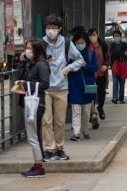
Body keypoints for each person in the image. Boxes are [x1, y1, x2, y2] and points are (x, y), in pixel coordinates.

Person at [41, 15, 83, 161]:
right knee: (46, 120)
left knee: (59, 121)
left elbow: (80, 60)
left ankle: (59, 148)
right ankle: (49, 149)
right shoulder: (41, 43)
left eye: (53, 28)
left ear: (59, 29)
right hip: (45, 88)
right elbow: (33, 59)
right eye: (48, 27)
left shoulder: (66, 43)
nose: (50, 31)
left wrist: (68, 69)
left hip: (61, 88)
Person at [16, 39, 50, 178]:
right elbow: (19, 76)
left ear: (36, 50)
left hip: (36, 104)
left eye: (29, 48)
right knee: (32, 135)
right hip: (30, 103)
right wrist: (22, 62)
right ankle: (37, 164)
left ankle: (39, 166)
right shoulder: (31, 64)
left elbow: (45, 84)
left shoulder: (41, 65)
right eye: (26, 48)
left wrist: (27, 83)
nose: (26, 51)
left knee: (33, 136)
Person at [68, 30, 98, 141]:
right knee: (76, 109)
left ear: (85, 42)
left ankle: (85, 131)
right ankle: (76, 133)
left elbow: (95, 68)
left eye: (82, 42)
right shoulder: (71, 54)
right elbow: (67, 67)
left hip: (87, 86)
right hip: (75, 85)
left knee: (85, 110)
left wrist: (85, 65)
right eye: (78, 43)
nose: (80, 44)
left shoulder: (91, 53)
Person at [88, 28, 109, 121]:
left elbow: (108, 58)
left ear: (97, 35)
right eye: (90, 35)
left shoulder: (103, 46)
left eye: (94, 35)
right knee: (91, 93)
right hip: (91, 74)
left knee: (101, 93)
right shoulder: (87, 47)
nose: (92, 37)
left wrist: (105, 65)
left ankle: (100, 108)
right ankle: (92, 112)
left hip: (101, 74)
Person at [109, 29, 127, 104]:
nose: (116, 37)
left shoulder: (124, 44)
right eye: (115, 36)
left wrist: (123, 54)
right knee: (115, 82)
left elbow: (126, 54)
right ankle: (115, 98)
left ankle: (121, 99)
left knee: (122, 82)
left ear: (120, 37)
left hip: (122, 65)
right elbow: (110, 55)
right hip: (114, 65)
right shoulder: (112, 45)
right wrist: (110, 64)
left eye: (117, 36)